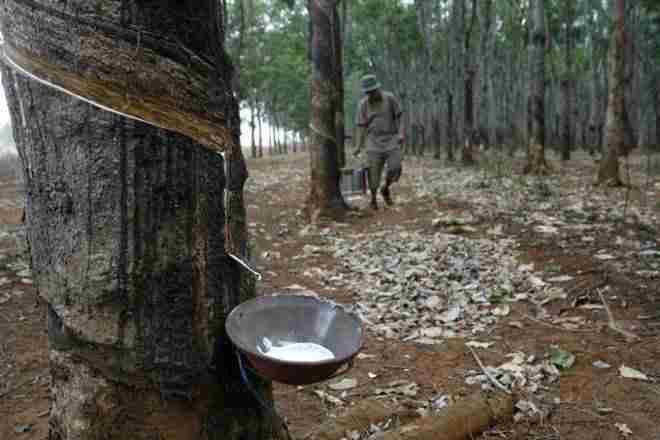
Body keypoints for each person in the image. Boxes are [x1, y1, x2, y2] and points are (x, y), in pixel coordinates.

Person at [353, 74, 405, 210]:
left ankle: (386, 187)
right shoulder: (363, 104)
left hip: (391, 138)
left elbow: (399, 116)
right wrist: (359, 145)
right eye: (368, 92)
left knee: (395, 167)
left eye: (372, 91)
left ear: (378, 88)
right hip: (373, 141)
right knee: (373, 172)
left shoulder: (390, 98)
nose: (370, 94)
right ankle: (373, 199)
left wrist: (401, 133)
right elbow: (361, 125)